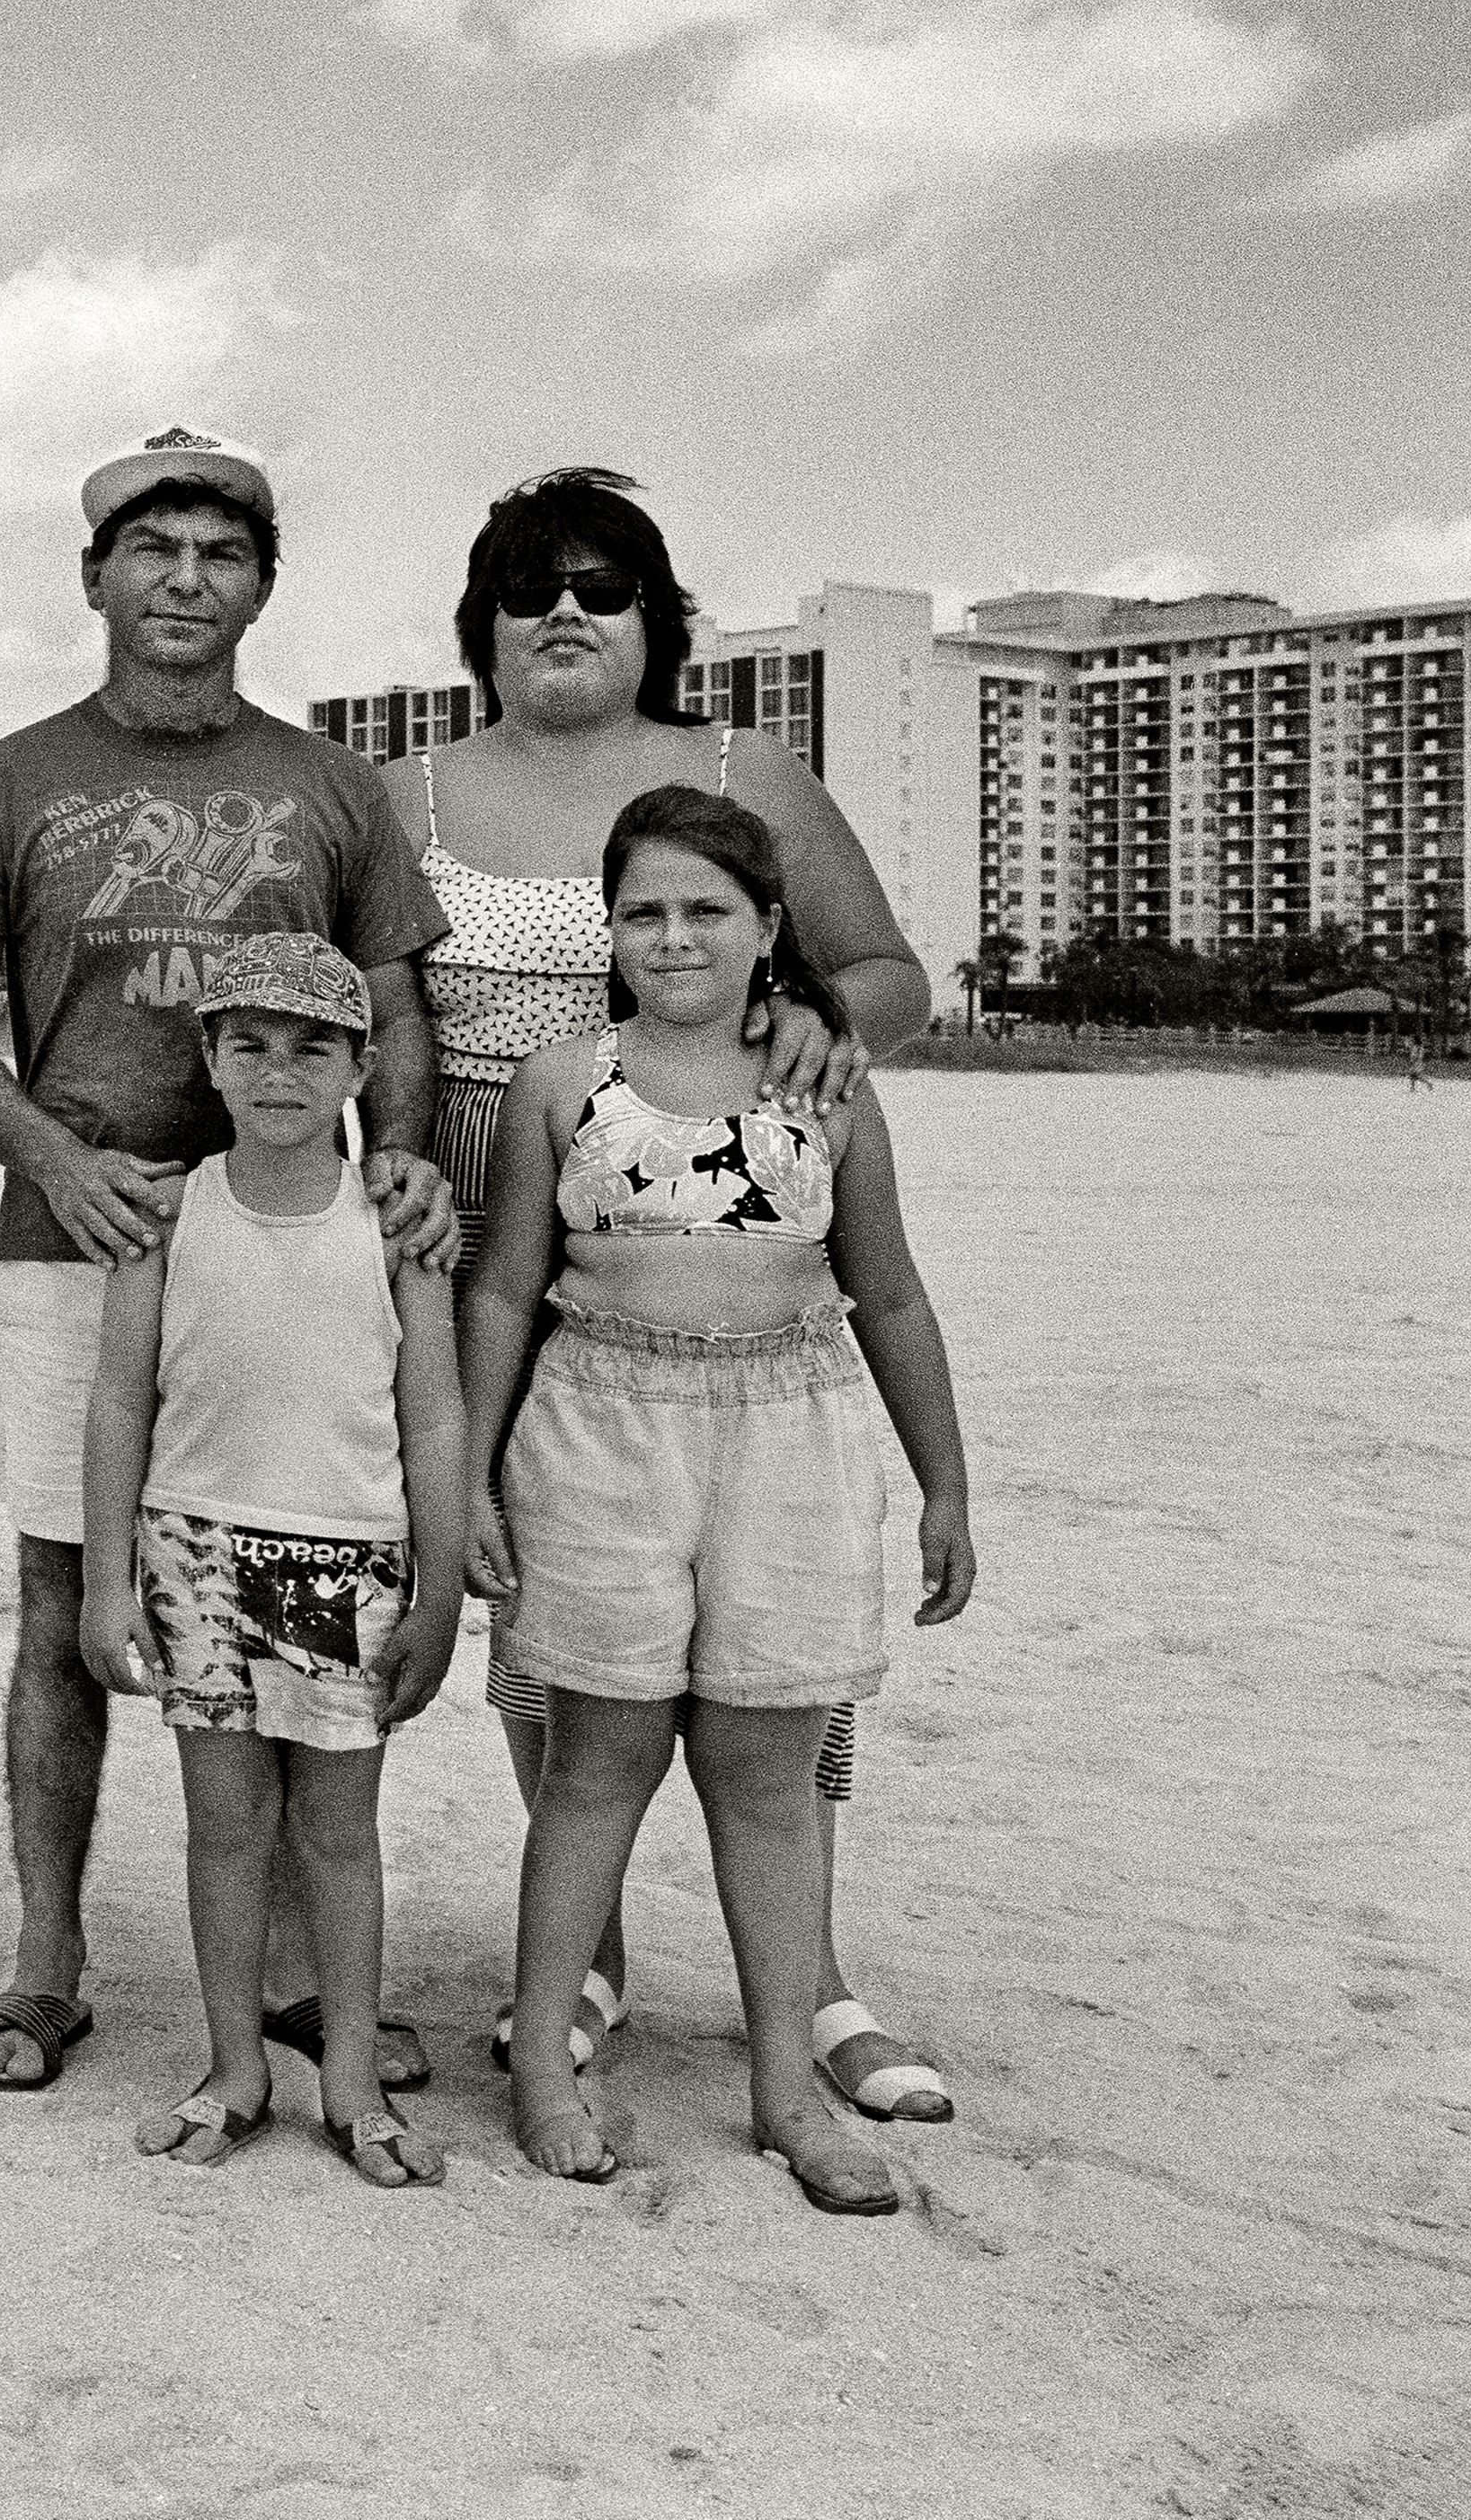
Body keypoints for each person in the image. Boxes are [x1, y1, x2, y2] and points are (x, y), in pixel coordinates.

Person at [390, 468, 953, 2123]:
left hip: (713, 1214)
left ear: (659, 621)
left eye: (606, 585)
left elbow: (887, 972)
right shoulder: (402, 785)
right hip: (493, 1229)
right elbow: (381, 1017)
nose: (567, 611)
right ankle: (592, 1959)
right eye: (531, 585)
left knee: (773, 1639)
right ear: (482, 622)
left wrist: (813, 1027)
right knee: (552, 1626)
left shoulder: (744, 771)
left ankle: (820, 1977)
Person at [0, 429, 453, 2100]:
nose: (186, 581)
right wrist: (57, 1160)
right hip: (79, 1239)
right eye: (154, 553)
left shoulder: (332, 785)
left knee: (290, 1579)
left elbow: (401, 1002)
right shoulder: (9, 781)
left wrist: (403, 1163)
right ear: (95, 578)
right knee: (72, 1603)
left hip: (287, 1246)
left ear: (262, 587)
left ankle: (290, 1978)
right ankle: (48, 1962)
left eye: (222, 555)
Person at [460, 790, 976, 2214]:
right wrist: (473, 1475)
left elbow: (890, 1288)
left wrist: (946, 1480)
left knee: (766, 1776)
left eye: (708, 910)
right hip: (601, 1434)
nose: (673, 936)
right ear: (608, 932)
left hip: (790, 1436)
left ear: (767, 933)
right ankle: (548, 2070)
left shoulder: (827, 1085)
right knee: (596, 1761)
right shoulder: (565, 1082)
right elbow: (506, 1284)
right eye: (643, 911)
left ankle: (784, 2094)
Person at [79, 937, 465, 2182]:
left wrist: (442, 1583)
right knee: (225, 1822)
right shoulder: (166, 1213)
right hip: (194, 1546)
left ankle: (349, 2074)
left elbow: (436, 1416)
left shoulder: (396, 1227)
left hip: (346, 1558)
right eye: (249, 1043)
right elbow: (118, 1402)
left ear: (360, 1064)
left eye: (313, 1047)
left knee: (340, 1834)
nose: (279, 1071)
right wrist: (102, 1578)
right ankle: (236, 2065)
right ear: (210, 1057)